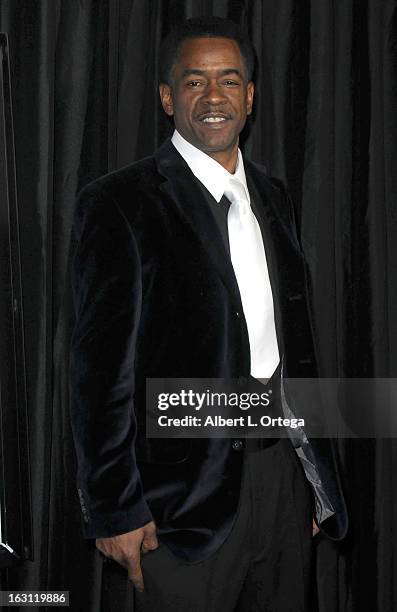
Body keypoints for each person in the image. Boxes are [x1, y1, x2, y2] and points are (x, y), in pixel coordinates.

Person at [69, 16, 348, 611]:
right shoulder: (119, 203)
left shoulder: (274, 195)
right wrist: (115, 508)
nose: (214, 97)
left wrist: (316, 479)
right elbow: (97, 377)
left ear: (250, 95)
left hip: (283, 481)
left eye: (229, 80)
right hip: (179, 508)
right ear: (168, 99)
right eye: (195, 82)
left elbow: (296, 345)